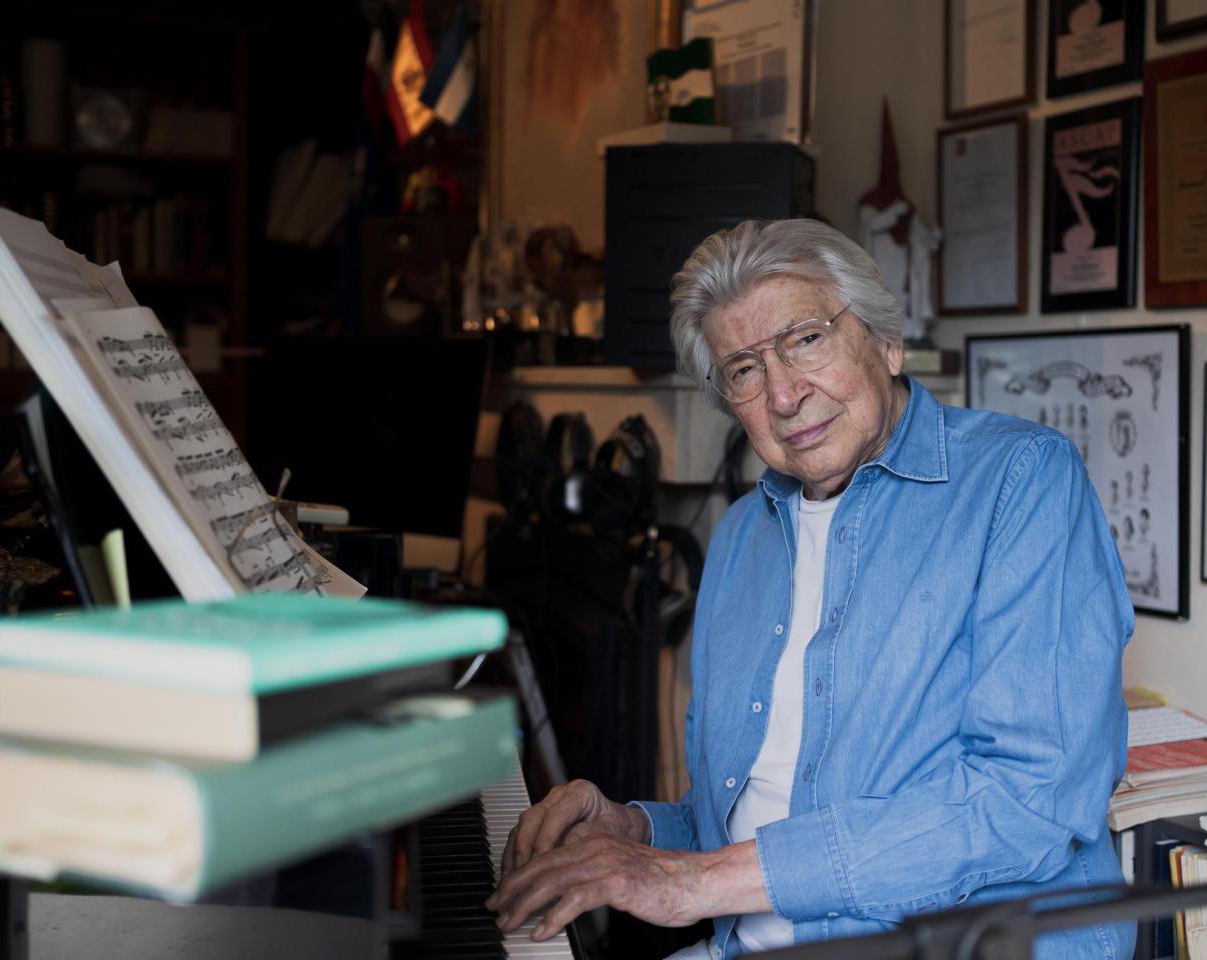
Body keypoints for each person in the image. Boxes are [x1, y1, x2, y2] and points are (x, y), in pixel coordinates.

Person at [486, 219, 1134, 959]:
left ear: (887, 342)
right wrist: (637, 831)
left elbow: (1029, 800)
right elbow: (741, 825)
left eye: (805, 340)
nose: (785, 395)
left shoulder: (1021, 482)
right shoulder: (740, 537)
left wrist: (693, 881)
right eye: (744, 370)